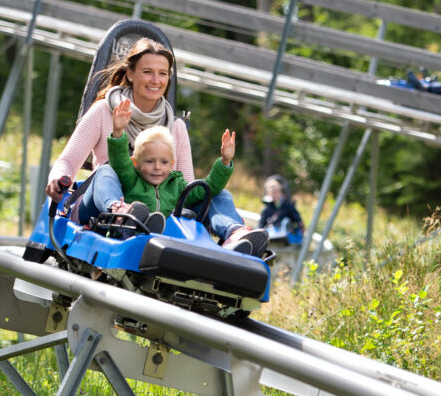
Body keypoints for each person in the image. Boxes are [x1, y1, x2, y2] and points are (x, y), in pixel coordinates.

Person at [44, 37, 268, 256]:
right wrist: (58, 178)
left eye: (162, 74)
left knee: (217, 195)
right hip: (102, 204)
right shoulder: (104, 112)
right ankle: (122, 214)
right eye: (147, 72)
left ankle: (235, 234)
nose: (155, 80)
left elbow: (187, 188)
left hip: (159, 208)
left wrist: (225, 163)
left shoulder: (175, 127)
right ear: (131, 74)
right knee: (107, 169)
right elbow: (68, 161)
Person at [258, 175, 305, 245]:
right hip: (272, 234)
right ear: (268, 193)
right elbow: (261, 226)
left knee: (286, 221)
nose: (275, 194)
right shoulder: (266, 210)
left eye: (277, 191)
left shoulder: (288, 206)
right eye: (272, 192)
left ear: (281, 192)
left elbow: (298, 220)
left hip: (287, 234)